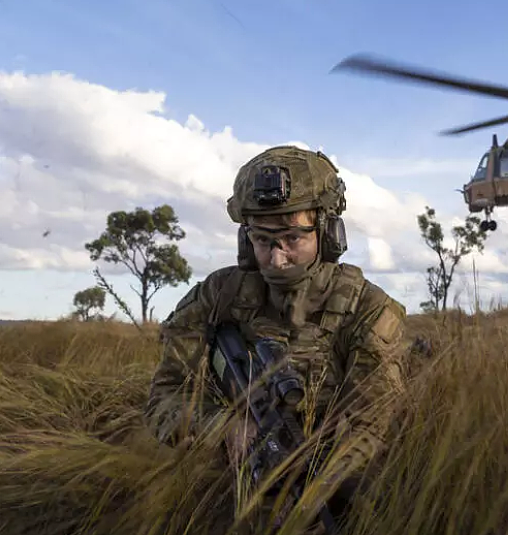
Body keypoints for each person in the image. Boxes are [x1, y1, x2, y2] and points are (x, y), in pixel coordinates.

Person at [142, 145, 408, 531]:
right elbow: (163, 398)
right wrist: (224, 429)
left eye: (292, 238)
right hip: (224, 492)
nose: (277, 258)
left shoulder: (367, 310)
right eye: (263, 240)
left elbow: (374, 432)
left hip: (338, 499)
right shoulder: (219, 296)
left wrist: (307, 497)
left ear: (329, 233)